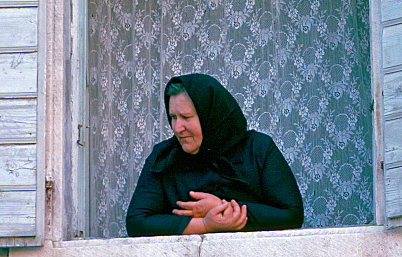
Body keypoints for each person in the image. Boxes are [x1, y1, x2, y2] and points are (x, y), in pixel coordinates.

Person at [126, 73, 304, 236]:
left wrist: (222, 207)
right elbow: (137, 222)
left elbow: (291, 214)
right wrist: (205, 224)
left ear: (211, 115)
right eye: (173, 117)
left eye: (186, 117)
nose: (177, 128)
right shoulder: (164, 157)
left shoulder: (257, 148)